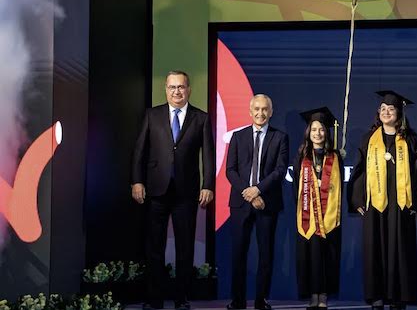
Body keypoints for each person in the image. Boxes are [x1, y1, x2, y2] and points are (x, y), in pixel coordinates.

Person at [131, 70, 215, 310]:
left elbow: (208, 156)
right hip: (155, 190)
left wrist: (208, 185)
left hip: (186, 193)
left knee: (185, 248)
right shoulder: (152, 115)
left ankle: (181, 299)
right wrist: (137, 181)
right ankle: (154, 299)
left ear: (189, 90)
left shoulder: (201, 118)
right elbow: (139, 151)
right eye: (172, 87)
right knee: (154, 247)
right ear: (166, 90)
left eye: (181, 87)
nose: (177, 91)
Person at [347, 90, 417, 310]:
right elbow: (359, 171)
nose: (386, 112)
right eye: (383, 109)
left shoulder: (410, 139)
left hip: (401, 206)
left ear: (399, 113)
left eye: (391, 109)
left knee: (400, 250)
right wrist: (358, 200)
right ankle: (377, 296)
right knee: (376, 249)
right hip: (376, 205)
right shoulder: (369, 139)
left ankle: (399, 297)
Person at [226, 94, 289, 310]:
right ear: (250, 111)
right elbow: (230, 170)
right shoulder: (238, 136)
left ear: (271, 112)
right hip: (241, 202)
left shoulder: (280, 137)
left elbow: (280, 170)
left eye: (264, 109)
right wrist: (249, 192)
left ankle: (261, 300)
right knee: (238, 253)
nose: (260, 113)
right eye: (257, 109)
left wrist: (258, 190)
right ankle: (238, 300)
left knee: (266, 253)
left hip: (267, 202)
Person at [292, 107, 343, 310]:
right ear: (308, 132)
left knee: (327, 256)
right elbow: (296, 187)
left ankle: (324, 295)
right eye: (314, 129)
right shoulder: (301, 157)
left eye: (321, 129)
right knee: (310, 256)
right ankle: (313, 295)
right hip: (309, 217)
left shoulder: (336, 157)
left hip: (329, 217)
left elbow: (339, 187)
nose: (318, 133)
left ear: (326, 132)